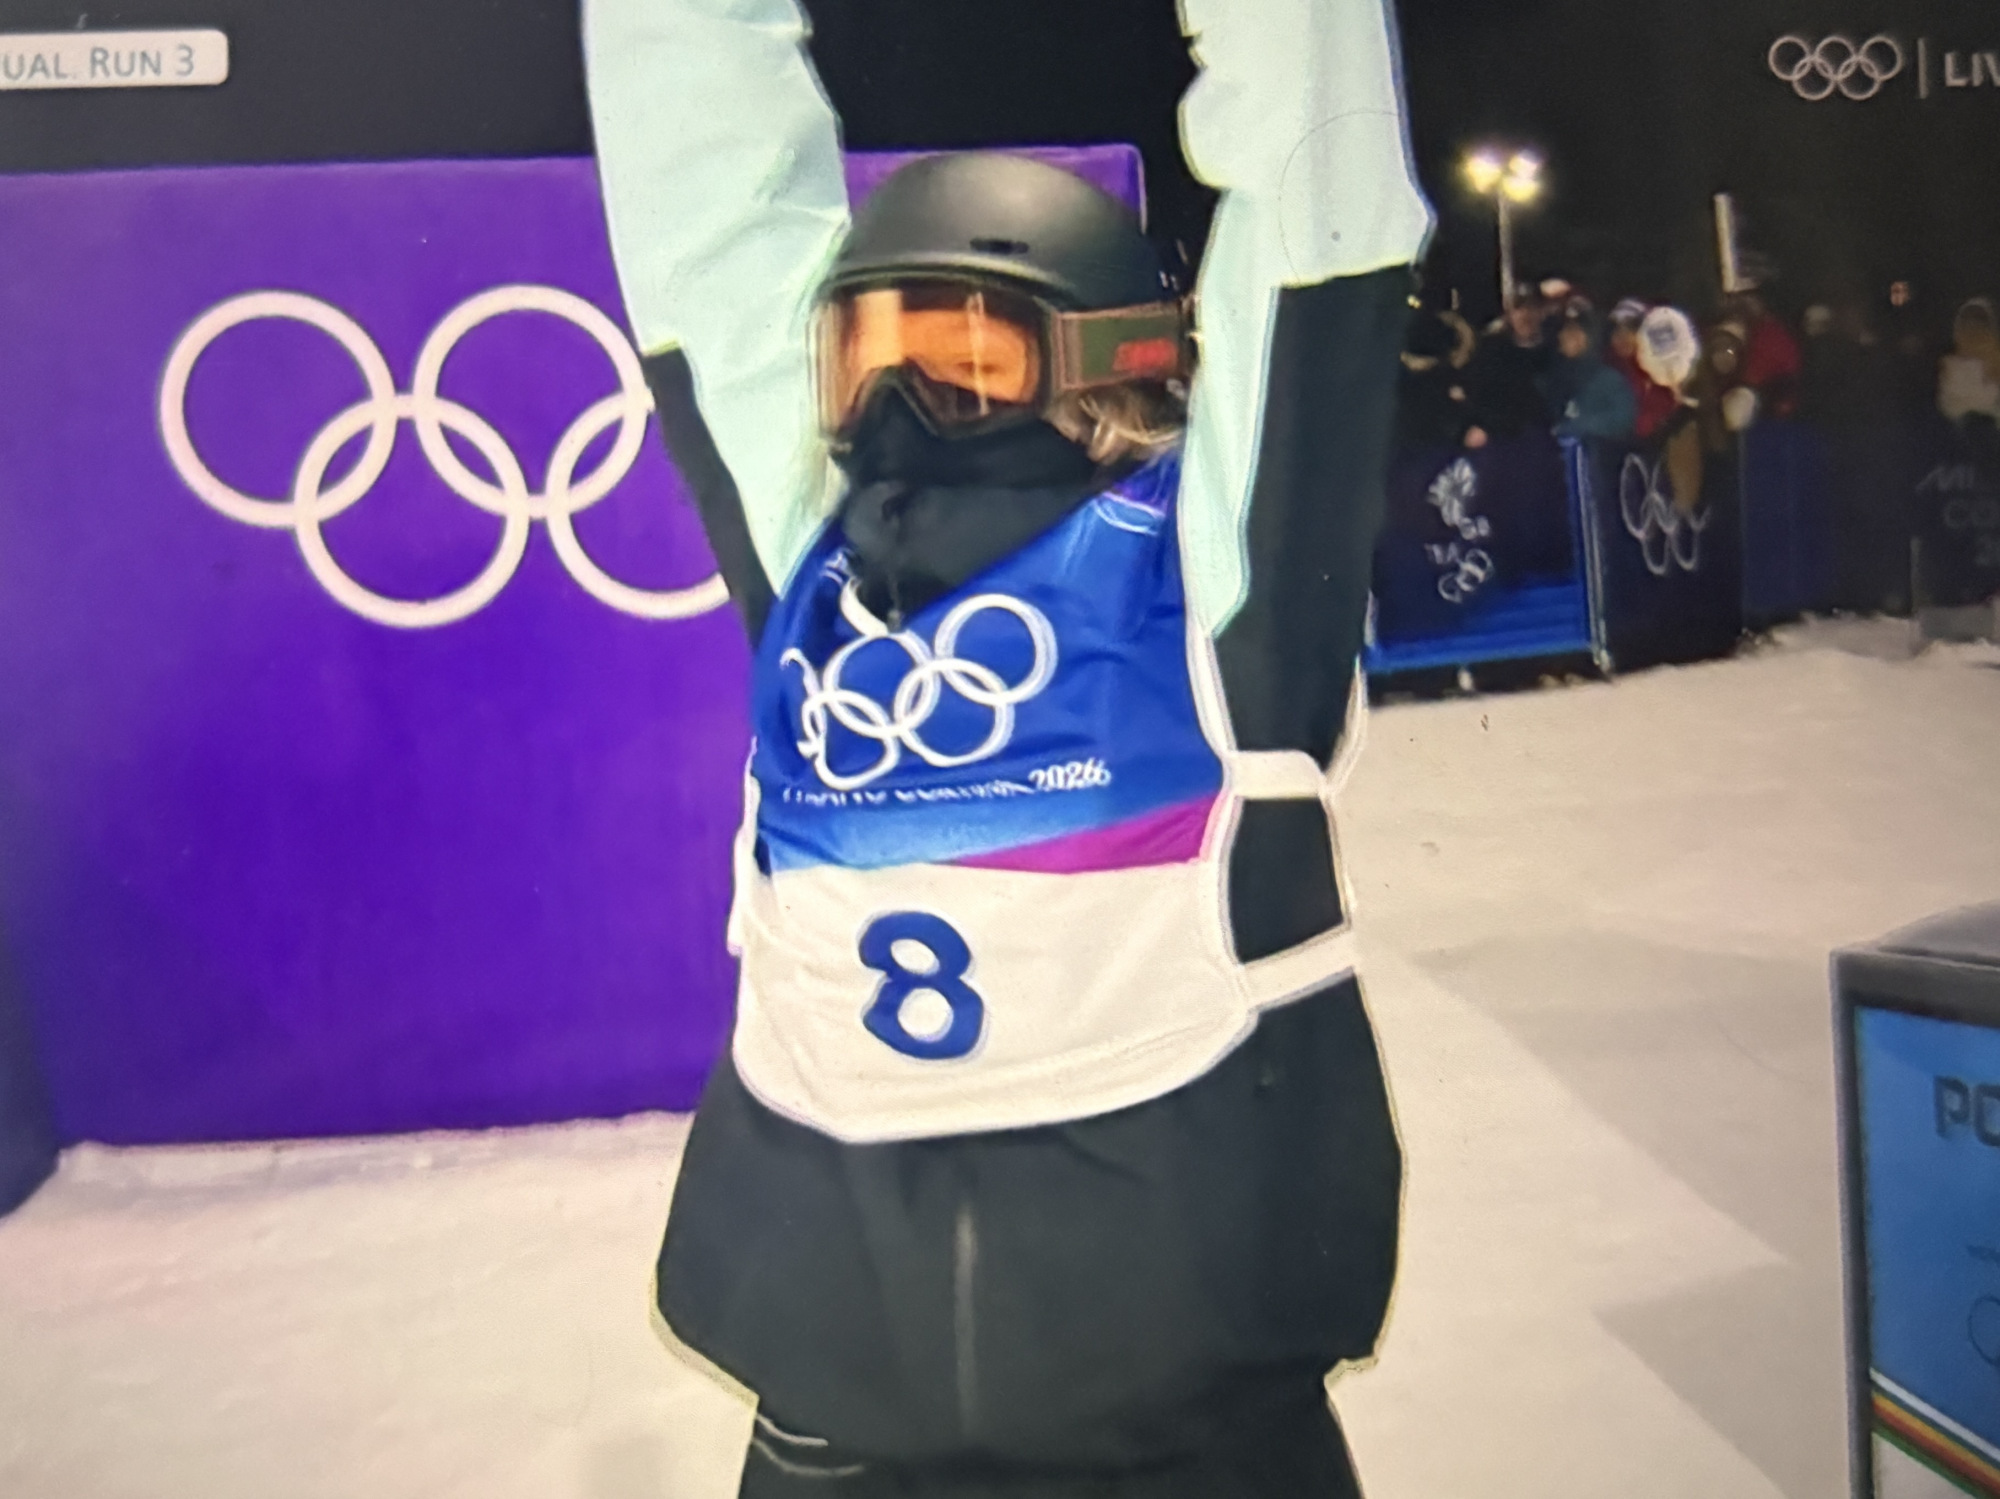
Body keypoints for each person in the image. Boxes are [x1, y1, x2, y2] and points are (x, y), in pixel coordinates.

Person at [581, 2, 1433, 1496]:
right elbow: (705, 214)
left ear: (1105, 364)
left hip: (1184, 1434)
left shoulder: (1208, 581)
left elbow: (1321, 207)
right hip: (843, 1425)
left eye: (965, 353)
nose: (901, 402)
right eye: (865, 354)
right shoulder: (817, 566)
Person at [1463, 287, 1553, 448]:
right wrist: (1482, 426)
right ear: (1509, 314)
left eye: (1532, 308)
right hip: (1497, 437)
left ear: (1542, 312)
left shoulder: (1554, 353)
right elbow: (1477, 394)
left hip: (1543, 437)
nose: (1526, 315)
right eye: (1519, 309)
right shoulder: (1491, 352)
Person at [1538, 298, 1637, 443]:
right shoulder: (1553, 379)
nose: (1563, 335)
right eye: (1564, 329)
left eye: (1572, 330)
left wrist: (1580, 425)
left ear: (1587, 337)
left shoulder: (1610, 381)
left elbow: (1624, 420)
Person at [1938, 297, 2000, 428]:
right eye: (1968, 325)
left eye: (1978, 324)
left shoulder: (1994, 361)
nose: (1973, 330)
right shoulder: (1949, 366)